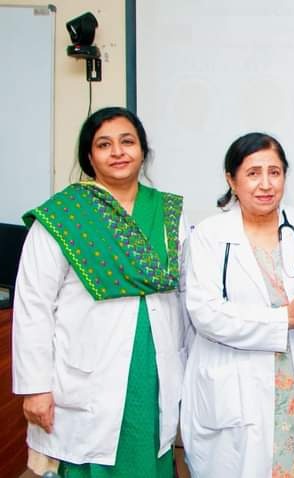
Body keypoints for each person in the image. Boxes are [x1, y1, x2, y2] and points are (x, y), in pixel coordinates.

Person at [13, 107, 190, 477]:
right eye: (104, 144)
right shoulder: (63, 216)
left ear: (143, 150)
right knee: (89, 460)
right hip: (87, 370)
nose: (118, 152)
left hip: (153, 368)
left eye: (127, 141)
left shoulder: (168, 212)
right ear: (89, 157)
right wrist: (35, 387)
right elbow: (33, 305)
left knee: (150, 457)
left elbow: (186, 295)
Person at [181, 132, 294, 477]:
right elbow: (206, 313)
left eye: (275, 172)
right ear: (231, 180)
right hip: (236, 385)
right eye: (253, 173)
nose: (266, 184)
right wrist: (285, 317)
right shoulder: (210, 235)